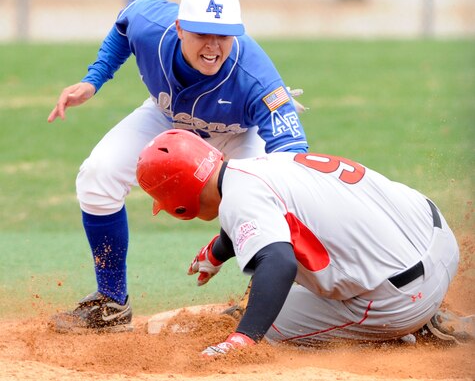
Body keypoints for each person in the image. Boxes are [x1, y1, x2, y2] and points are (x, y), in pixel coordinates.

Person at [47, 0, 309, 333]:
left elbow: (294, 158)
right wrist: (93, 80)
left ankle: (259, 306)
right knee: (98, 174)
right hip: (168, 115)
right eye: (202, 33)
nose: (213, 46)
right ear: (180, 27)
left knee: (263, 198)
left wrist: (265, 195)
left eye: (224, 35)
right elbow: (125, 26)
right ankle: (111, 302)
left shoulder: (256, 79)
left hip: (239, 133)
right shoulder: (150, 25)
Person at [136, 129, 474, 356]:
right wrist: (218, 251)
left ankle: (406, 328)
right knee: (292, 263)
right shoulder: (257, 165)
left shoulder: (239, 200)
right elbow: (259, 217)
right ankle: (424, 310)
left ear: (179, 204)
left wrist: (244, 339)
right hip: (437, 239)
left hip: (403, 298)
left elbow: (280, 263)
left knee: (265, 317)